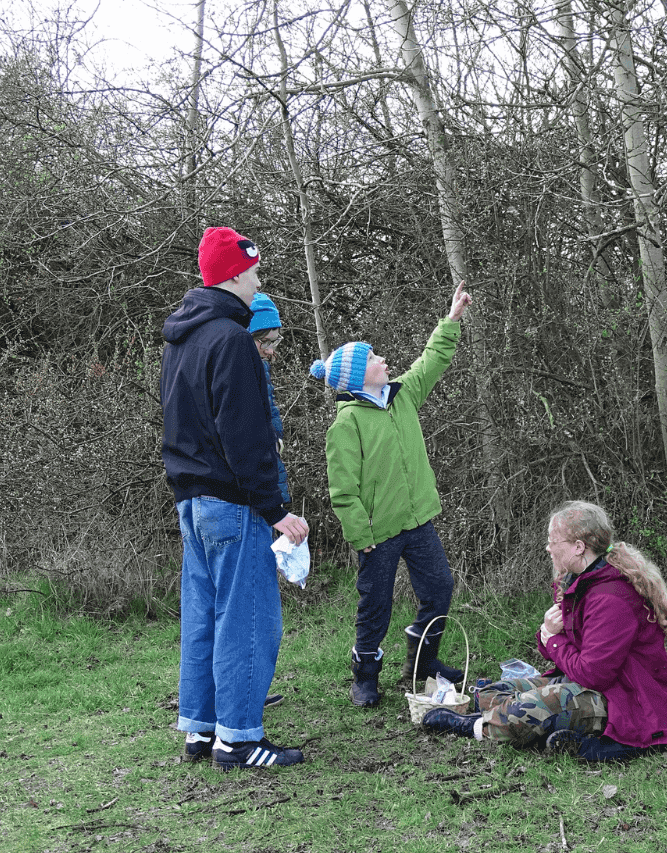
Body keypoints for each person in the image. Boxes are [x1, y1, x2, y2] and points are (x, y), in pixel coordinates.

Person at [161, 226, 309, 770]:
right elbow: (244, 437)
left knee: (203, 616)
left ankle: (201, 731)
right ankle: (239, 739)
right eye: (253, 272)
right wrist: (276, 510)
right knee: (247, 618)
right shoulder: (230, 340)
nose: (257, 281)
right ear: (233, 276)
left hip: (191, 502)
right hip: (232, 504)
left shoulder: (183, 338)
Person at [423, 500, 667, 762]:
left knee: (528, 708)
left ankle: (474, 727)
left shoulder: (612, 598)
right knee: (492, 693)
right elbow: (564, 651)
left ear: (578, 547)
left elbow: (593, 674)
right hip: (585, 684)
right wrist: (549, 635)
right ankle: (539, 728)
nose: (548, 548)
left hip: (625, 700)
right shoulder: (577, 582)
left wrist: (552, 640)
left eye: (553, 541)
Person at [309, 281, 472, 708]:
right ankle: (365, 675)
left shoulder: (402, 395)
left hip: (419, 520)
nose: (383, 359)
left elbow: (431, 361)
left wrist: (451, 319)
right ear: (360, 374)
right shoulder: (345, 426)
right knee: (375, 606)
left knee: (439, 588)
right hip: (377, 534)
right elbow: (343, 492)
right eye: (374, 357)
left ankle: (422, 663)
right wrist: (361, 536)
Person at [248, 292, 290, 710]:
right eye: (267, 342)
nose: (272, 353)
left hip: (264, 501)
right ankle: (246, 694)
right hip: (252, 508)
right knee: (255, 609)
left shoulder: (260, 373)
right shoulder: (245, 375)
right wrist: (274, 508)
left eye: (276, 343)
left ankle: (252, 688)